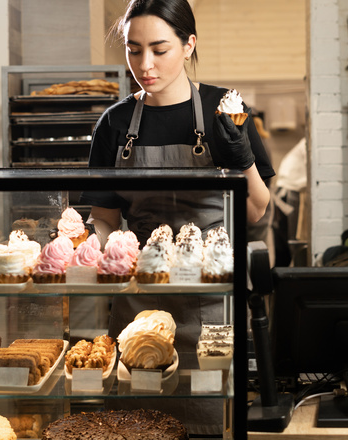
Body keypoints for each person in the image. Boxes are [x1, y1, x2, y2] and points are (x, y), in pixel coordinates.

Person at [80, 0, 275, 434]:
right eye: (133, 50)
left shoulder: (225, 110)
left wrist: (242, 156)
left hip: (210, 294)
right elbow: (104, 215)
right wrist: (118, 251)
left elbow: (257, 211)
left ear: (189, 45)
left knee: (209, 417)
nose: (144, 65)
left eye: (159, 49)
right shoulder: (113, 124)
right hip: (139, 298)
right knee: (138, 421)